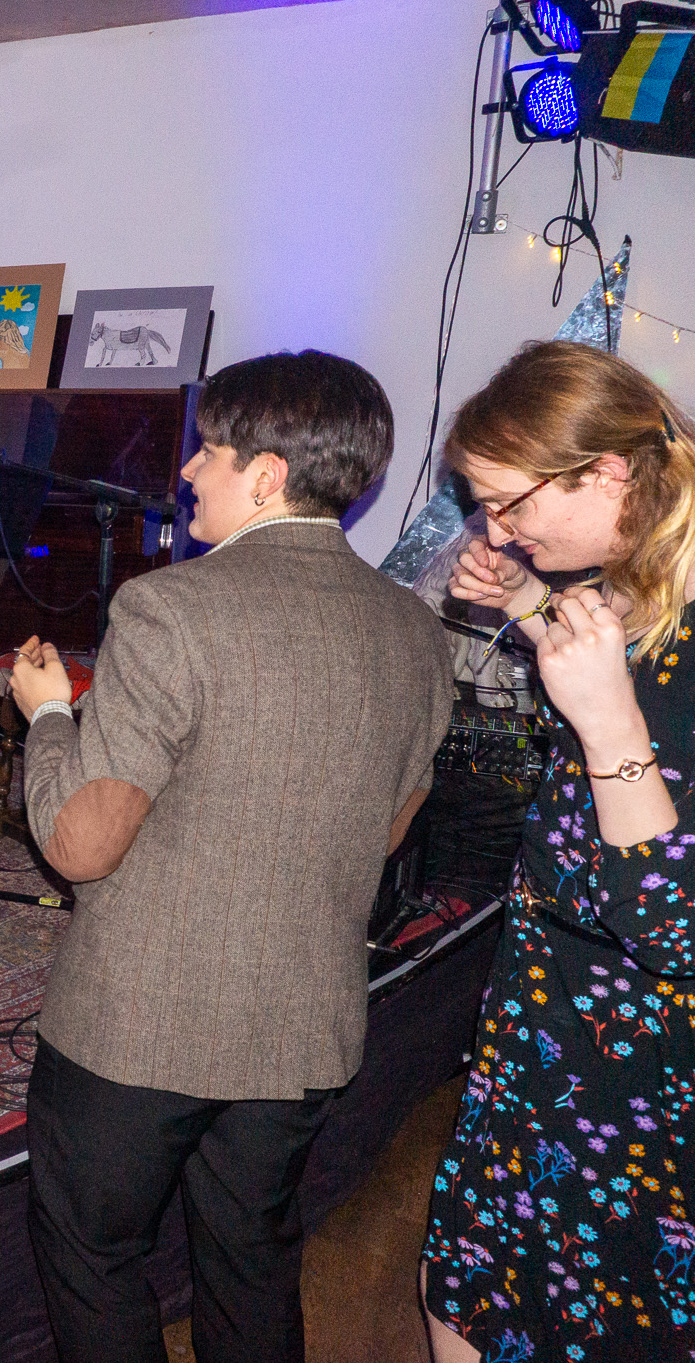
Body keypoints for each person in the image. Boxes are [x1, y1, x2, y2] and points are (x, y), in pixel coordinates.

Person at [5, 350, 454, 1363]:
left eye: (207, 449)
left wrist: (49, 717)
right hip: (302, 1029)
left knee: (94, 1254)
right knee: (251, 1255)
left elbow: (80, 843)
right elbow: (390, 826)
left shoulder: (170, 608)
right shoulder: (414, 632)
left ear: (265, 475)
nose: (186, 471)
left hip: (140, 1029)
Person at [423, 340, 695, 1362]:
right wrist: (523, 605)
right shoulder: (629, 571)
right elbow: (611, 668)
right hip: (544, 1009)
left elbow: (673, 927)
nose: (494, 530)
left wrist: (608, 722)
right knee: (461, 1287)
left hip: (641, 1067)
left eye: (509, 504)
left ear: (607, 471)